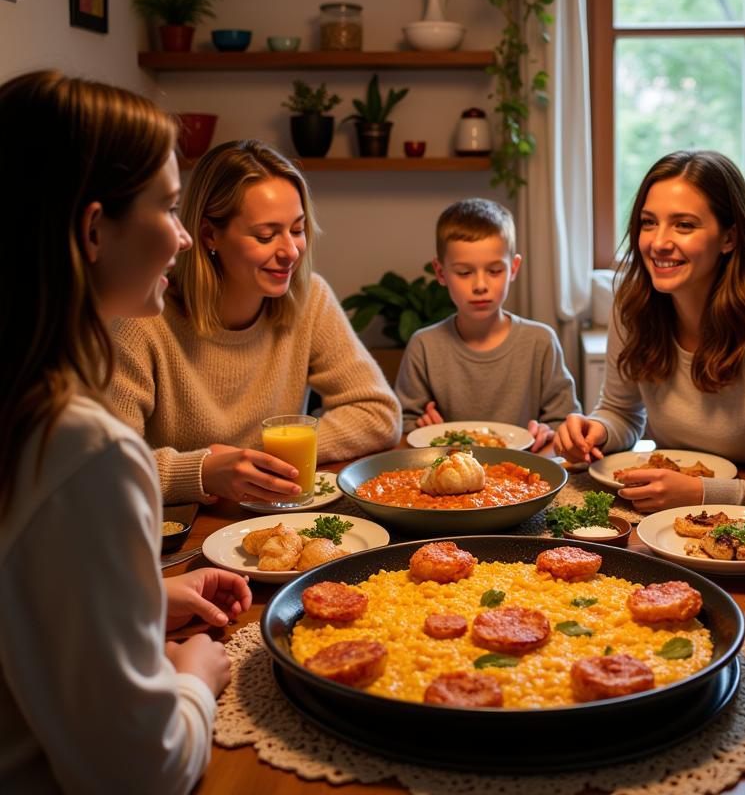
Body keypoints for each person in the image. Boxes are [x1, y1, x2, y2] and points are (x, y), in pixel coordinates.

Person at [0, 70, 252, 792]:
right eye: (169, 207)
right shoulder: (86, 451)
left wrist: (139, 595)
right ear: (91, 230)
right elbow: (142, 771)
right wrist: (195, 678)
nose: (181, 236)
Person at [110, 139, 401, 506]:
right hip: (185, 529)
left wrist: (258, 457)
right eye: (266, 235)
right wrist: (202, 472)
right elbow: (105, 470)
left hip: (279, 514)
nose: (290, 252)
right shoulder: (143, 319)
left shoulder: (309, 296)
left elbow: (380, 415)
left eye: (297, 230)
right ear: (209, 235)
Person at [554, 150, 745, 519]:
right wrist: (597, 431)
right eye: (649, 222)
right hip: (663, 518)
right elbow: (622, 412)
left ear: (729, 238)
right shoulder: (632, 309)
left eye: (684, 225)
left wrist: (703, 493)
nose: (659, 242)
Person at [395, 198, 580, 451]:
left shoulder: (540, 341)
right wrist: (420, 424)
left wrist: (549, 431)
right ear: (440, 273)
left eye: (494, 271)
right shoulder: (424, 345)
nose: (480, 285)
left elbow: (564, 421)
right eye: (464, 272)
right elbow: (402, 423)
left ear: (513, 268)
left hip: (521, 475)